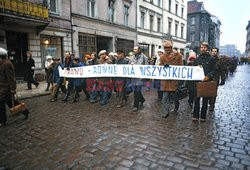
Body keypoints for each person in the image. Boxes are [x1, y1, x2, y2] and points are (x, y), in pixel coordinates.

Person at [0, 48, 29, 127]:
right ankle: (24, 110)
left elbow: (11, 78)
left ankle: (2, 120)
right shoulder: (2, 63)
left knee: (1, 103)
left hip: (6, 88)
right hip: (2, 88)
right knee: (11, 103)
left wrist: (13, 88)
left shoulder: (7, 64)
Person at [192, 42, 217, 122]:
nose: (203, 49)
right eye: (202, 47)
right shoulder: (197, 59)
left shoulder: (212, 59)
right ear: (200, 48)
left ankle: (203, 116)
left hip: (207, 82)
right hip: (198, 81)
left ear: (207, 49)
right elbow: (193, 69)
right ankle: (195, 116)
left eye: (205, 47)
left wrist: (208, 76)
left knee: (205, 100)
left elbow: (215, 70)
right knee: (196, 99)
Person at [160, 40, 183, 118]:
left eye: (168, 48)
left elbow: (181, 67)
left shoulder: (178, 55)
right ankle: (165, 112)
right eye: (165, 48)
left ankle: (176, 106)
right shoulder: (162, 56)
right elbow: (159, 67)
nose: (167, 50)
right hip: (166, 81)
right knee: (165, 97)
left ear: (171, 48)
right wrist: (163, 66)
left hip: (174, 80)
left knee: (174, 96)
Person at [129, 46, 148, 112]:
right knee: (135, 90)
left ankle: (135, 105)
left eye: (136, 49)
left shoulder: (144, 57)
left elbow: (146, 67)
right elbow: (128, 66)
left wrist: (145, 77)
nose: (134, 50)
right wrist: (130, 66)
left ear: (139, 50)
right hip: (133, 77)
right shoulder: (131, 58)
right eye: (134, 49)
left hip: (140, 77)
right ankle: (142, 99)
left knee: (136, 91)